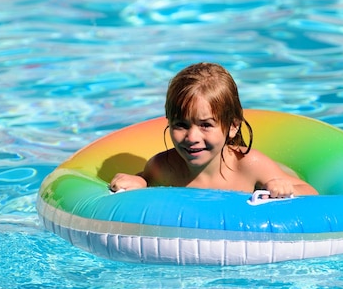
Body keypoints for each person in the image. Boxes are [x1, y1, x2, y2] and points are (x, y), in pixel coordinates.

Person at [109, 62, 318, 198]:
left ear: (233, 126)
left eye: (206, 125)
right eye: (181, 125)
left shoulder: (250, 166)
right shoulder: (164, 167)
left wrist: (281, 188)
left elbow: (310, 192)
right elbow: (145, 180)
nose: (192, 137)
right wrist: (139, 180)